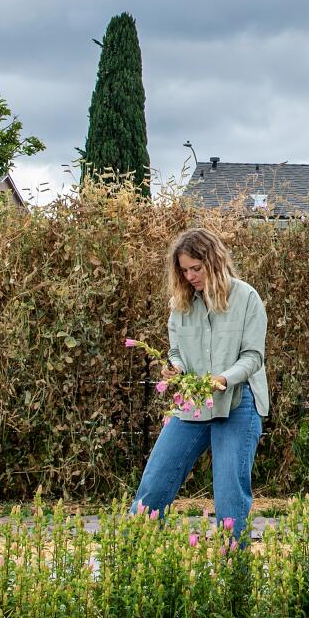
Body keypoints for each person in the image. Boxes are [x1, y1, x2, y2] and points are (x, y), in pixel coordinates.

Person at [130, 227, 268, 538]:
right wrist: (174, 368)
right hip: (195, 403)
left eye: (197, 268)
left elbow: (253, 356)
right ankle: (131, 565)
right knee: (153, 486)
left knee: (230, 500)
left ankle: (234, 578)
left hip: (239, 401)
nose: (191, 276)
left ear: (215, 261)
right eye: (184, 270)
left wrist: (224, 378)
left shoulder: (246, 298)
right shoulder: (182, 305)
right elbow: (176, 350)